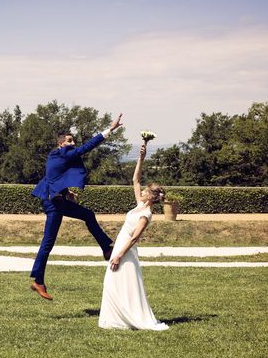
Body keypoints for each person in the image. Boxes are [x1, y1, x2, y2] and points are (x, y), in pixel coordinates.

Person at [30, 113, 124, 300]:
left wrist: (65, 193)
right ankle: (38, 281)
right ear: (61, 144)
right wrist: (110, 130)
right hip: (53, 204)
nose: (73, 144)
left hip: (57, 200)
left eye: (73, 141)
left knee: (88, 215)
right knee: (47, 243)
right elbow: (87, 147)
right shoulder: (64, 153)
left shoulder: (56, 155)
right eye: (70, 141)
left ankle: (106, 247)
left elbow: (53, 177)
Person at [98, 141, 168, 330]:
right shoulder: (139, 205)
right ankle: (114, 320)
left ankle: (127, 318)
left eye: (146, 190)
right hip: (120, 245)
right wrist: (141, 158)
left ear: (150, 197)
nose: (142, 190)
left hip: (125, 250)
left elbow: (135, 238)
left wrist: (119, 254)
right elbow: (135, 180)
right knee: (113, 282)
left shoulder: (146, 215)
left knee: (120, 282)